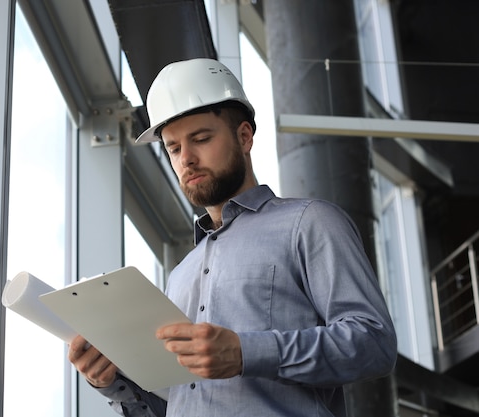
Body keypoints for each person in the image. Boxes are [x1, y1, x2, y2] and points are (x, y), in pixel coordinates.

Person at [68, 58, 397, 417]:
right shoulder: (180, 275)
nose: (187, 160)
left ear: (244, 137)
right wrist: (113, 382)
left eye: (201, 139)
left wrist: (246, 353)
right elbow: (178, 404)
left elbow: (374, 343)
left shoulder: (309, 223)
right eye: (174, 148)